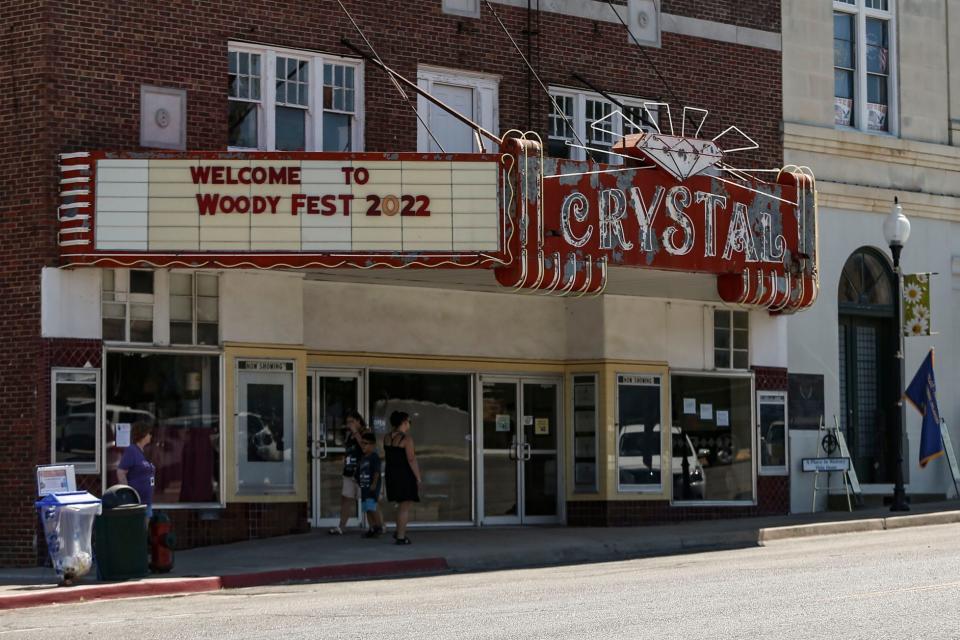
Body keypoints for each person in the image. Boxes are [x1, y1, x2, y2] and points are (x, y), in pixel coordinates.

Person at [384, 410, 421, 545]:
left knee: (400, 505)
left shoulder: (387, 437)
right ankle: (401, 536)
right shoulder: (407, 439)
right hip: (404, 474)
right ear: (404, 422)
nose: (409, 423)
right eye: (408, 421)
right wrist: (418, 477)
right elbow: (411, 459)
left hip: (391, 473)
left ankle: (399, 530)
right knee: (404, 506)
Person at [328, 410, 366, 535]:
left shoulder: (365, 432)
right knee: (346, 498)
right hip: (349, 470)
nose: (349, 424)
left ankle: (378, 524)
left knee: (368, 499)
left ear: (358, 421)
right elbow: (349, 449)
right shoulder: (349, 435)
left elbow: (366, 448)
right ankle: (342, 526)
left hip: (362, 471)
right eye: (348, 422)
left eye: (352, 421)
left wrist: (356, 432)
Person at [117, 421, 156, 518]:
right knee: (138, 531)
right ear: (142, 434)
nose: (151, 436)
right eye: (149, 433)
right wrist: (127, 492)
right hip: (136, 502)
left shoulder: (143, 451)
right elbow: (121, 472)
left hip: (146, 501)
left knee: (144, 531)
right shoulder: (132, 450)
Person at [356, 432, 384, 538]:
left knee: (372, 506)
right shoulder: (363, 458)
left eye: (366, 443)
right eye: (362, 443)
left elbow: (377, 472)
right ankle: (371, 528)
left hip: (372, 486)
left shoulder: (374, 457)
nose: (363, 445)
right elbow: (359, 471)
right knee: (366, 508)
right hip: (364, 486)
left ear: (372, 445)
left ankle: (379, 526)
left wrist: (374, 483)